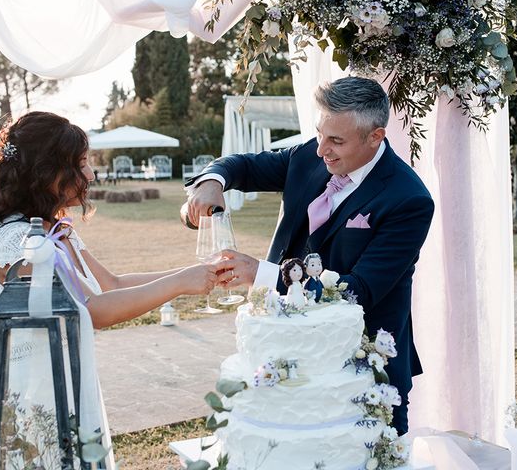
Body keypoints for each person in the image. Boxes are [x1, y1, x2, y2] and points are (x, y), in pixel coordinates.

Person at [0, 111, 228, 469]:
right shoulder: (18, 244)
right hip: (32, 402)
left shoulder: (55, 232)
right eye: (81, 163)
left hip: (67, 384)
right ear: (46, 171)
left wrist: (195, 274)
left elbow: (112, 285)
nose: (91, 174)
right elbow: (93, 310)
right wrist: (178, 283)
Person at [184, 76, 435, 434]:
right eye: (320, 134)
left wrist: (264, 274)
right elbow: (243, 166)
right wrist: (212, 181)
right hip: (284, 355)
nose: (322, 150)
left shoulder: (409, 200)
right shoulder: (308, 157)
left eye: (336, 140)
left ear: (375, 136)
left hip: (363, 370)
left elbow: (358, 290)